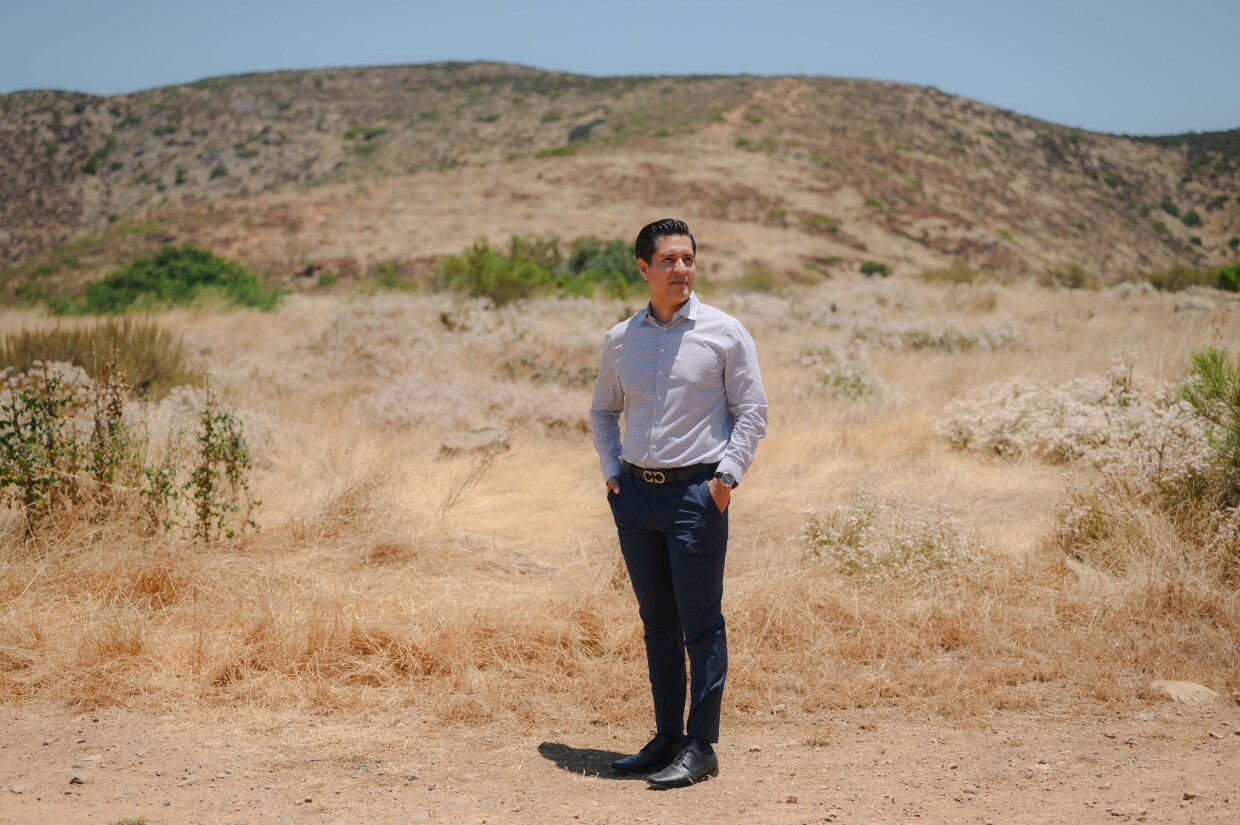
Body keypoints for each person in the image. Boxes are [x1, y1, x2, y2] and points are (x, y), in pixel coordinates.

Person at [589, 218, 768, 788]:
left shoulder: (725, 331)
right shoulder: (623, 338)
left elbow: (752, 411)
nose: (681, 269)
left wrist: (725, 480)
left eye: (688, 258)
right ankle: (667, 737)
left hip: (697, 495)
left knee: (701, 624)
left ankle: (701, 745)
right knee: (656, 622)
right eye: (668, 260)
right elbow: (602, 410)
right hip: (636, 496)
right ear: (644, 268)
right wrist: (613, 470)